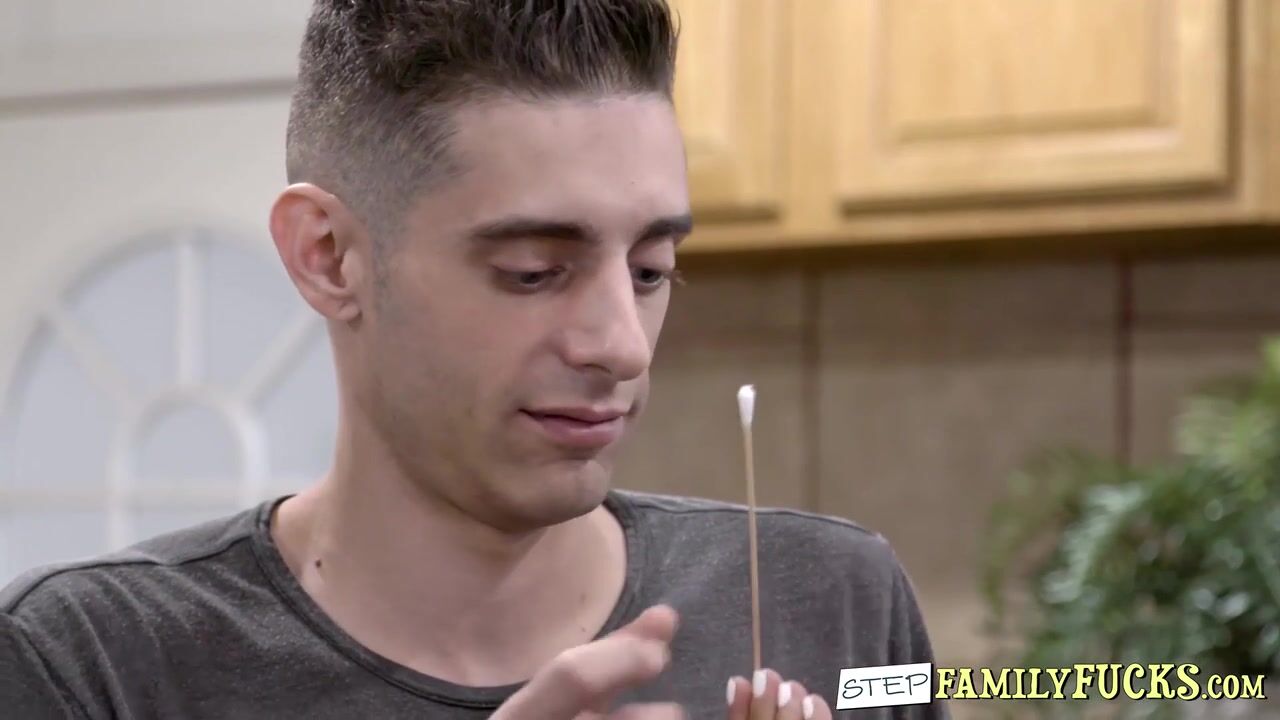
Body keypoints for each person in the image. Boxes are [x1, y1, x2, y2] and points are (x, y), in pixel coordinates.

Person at [0, 1, 950, 718]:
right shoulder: (82, 665)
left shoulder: (842, 606)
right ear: (329, 257)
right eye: (533, 271)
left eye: (652, 269)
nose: (622, 345)